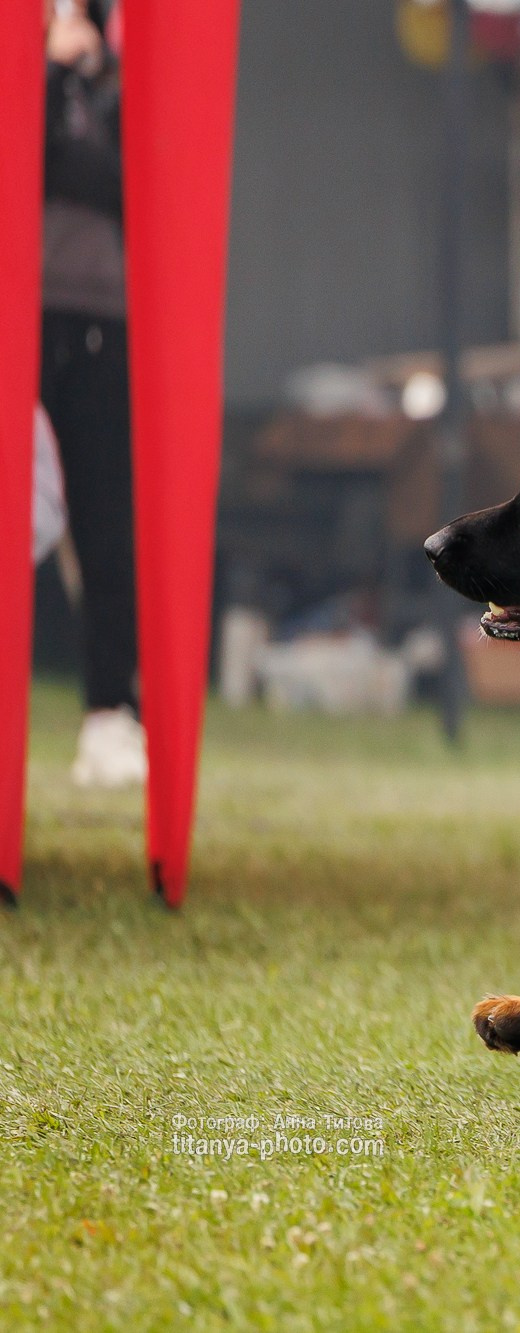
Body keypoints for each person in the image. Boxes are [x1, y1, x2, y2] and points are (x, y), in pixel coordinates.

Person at [42, 0, 143, 788]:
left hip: (103, 321)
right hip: (26, 313)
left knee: (108, 524)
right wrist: (47, 72)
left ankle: (111, 711)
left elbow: (134, 180)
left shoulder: (116, 72)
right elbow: (36, 157)